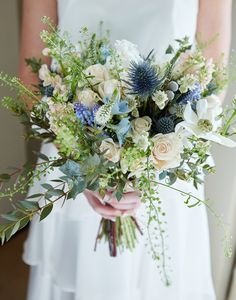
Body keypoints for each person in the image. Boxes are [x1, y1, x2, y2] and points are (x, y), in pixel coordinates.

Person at [19, 0, 232, 299]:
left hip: (167, 163)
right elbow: (32, 80)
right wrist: (85, 165)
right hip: (73, 158)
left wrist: (155, 162)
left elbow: (211, 80)